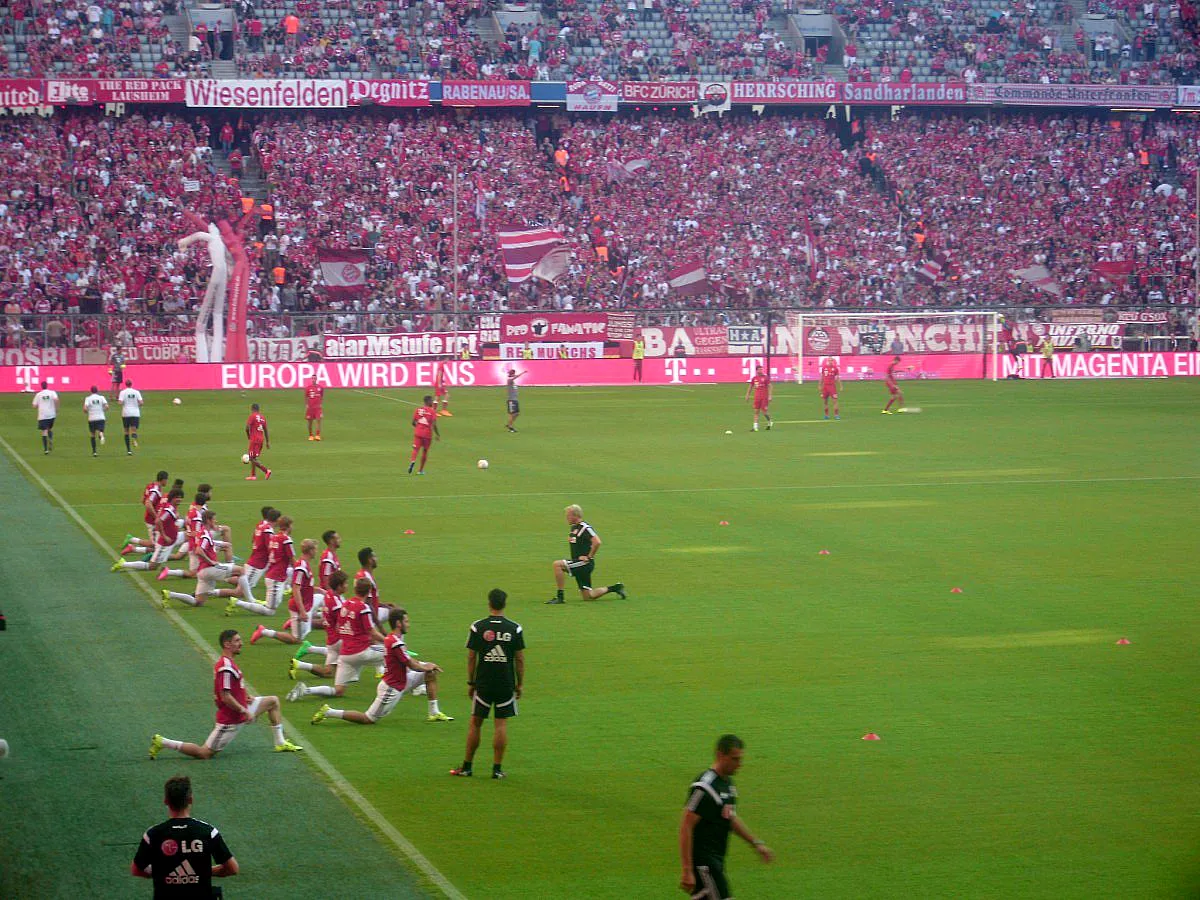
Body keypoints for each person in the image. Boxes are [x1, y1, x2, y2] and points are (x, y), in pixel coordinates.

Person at [148, 629, 302, 759]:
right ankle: (164, 742)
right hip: (232, 718)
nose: (241, 643)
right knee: (205, 753)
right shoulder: (226, 667)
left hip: (242, 708)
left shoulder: (228, 662)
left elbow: (236, 686)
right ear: (227, 644)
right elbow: (226, 696)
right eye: (237, 641)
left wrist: (246, 696)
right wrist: (244, 711)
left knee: (273, 701)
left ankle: (280, 743)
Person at [312, 606, 453, 725]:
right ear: (399, 623)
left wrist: (428, 666)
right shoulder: (395, 642)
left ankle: (434, 712)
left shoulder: (393, 639)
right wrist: (426, 665)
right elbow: (411, 664)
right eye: (406, 621)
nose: (409, 624)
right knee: (368, 718)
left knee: (430, 674)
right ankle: (329, 712)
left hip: (401, 680)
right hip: (391, 688)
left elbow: (410, 661)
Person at [679, 734, 774, 898]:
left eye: (740, 759)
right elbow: (685, 826)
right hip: (704, 864)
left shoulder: (728, 785)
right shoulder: (705, 787)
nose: (739, 765)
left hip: (717, 860)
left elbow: (730, 818)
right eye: (734, 759)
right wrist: (687, 870)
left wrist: (756, 843)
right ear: (720, 755)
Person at [451, 589, 525, 779]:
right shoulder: (514, 628)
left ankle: (467, 767)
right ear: (504, 604)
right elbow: (519, 659)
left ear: (489, 603)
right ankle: (497, 769)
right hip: (505, 683)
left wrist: (471, 681)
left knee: (476, 722)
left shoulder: (478, 627)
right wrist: (520, 684)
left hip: (483, 682)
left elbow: (471, 656)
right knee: (500, 724)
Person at [131, 776, 239, 894]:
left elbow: (136, 870)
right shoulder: (207, 832)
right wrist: (204, 871)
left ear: (166, 800)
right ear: (191, 799)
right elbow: (232, 868)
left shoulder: (153, 834)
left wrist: (161, 873)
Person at [288, 577, 385, 702]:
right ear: (368, 592)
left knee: (335, 685)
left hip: (341, 649)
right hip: (352, 648)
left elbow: (339, 624)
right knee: (391, 652)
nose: (346, 586)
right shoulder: (359, 607)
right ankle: (410, 679)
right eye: (345, 583)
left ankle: (305, 688)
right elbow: (370, 631)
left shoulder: (343, 603)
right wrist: (386, 639)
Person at [163, 510, 255, 609]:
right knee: (241, 570)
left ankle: (170, 594)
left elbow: (207, 542)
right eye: (214, 519)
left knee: (197, 602)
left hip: (202, 572)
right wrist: (210, 561)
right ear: (208, 521)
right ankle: (251, 600)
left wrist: (221, 544)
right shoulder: (205, 534)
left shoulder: (202, 532)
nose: (216, 521)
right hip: (209, 569)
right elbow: (199, 550)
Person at [249, 538, 323, 646]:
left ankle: (293, 622)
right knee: (296, 639)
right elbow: (296, 589)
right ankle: (264, 631)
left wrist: (319, 590)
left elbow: (305, 586)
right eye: (315, 549)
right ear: (311, 551)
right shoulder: (301, 567)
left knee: (323, 598)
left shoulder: (305, 564)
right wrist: (302, 611)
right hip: (299, 606)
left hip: (307, 602)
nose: (316, 551)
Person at [547, 504, 626, 604]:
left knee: (557, 565)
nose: (566, 518)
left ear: (575, 515)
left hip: (584, 563)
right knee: (588, 596)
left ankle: (560, 597)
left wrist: (589, 556)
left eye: (568, 515)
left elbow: (597, 542)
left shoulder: (585, 527)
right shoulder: (574, 528)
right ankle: (616, 588)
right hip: (580, 563)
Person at [112, 487, 188, 578]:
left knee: (190, 535)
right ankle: (124, 564)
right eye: (177, 497)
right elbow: (158, 521)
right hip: (165, 544)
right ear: (172, 498)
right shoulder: (169, 510)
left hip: (174, 537)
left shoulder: (171, 508)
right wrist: (164, 536)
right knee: (152, 566)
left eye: (181, 497)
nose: (179, 499)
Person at [228, 515, 292, 616]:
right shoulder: (285, 539)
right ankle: (236, 601)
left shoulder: (274, 537)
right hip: (273, 575)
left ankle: (227, 581)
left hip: (272, 573)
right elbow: (291, 559)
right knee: (269, 610)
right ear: (289, 526)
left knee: (273, 603)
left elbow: (257, 542)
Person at [408, 395, 440, 475]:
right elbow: (434, 424)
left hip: (418, 432)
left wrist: (418, 427)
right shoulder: (432, 411)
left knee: (415, 449)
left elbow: (413, 422)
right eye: (431, 401)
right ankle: (420, 470)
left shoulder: (418, 410)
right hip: (427, 434)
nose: (432, 402)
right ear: (428, 402)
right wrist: (437, 434)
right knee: (425, 451)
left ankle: (413, 460)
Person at [244, 403, 272, 481]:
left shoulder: (252, 416)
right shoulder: (262, 417)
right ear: (258, 409)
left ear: (252, 409)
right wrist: (267, 442)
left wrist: (249, 436)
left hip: (254, 440)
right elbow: (266, 430)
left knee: (251, 458)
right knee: (254, 457)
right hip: (261, 439)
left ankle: (266, 471)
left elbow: (246, 428)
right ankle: (253, 475)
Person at [31, 380, 58, 455]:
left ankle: (46, 450)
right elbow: (56, 399)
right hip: (52, 415)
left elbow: (34, 406)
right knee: (49, 428)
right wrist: (56, 409)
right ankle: (51, 438)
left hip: (43, 415)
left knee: (44, 431)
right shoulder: (52, 393)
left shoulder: (38, 395)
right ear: (47, 385)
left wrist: (39, 405)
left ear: (41, 386)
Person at [117, 379, 144, 455]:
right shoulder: (136, 392)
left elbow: (120, 402)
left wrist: (122, 402)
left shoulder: (122, 392)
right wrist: (136, 405)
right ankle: (134, 439)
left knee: (126, 431)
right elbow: (141, 402)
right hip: (135, 413)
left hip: (126, 413)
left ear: (125, 384)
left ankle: (129, 450)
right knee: (134, 429)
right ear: (131, 384)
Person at [744, 366, 772, 432]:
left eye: (762, 369)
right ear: (756, 370)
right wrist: (747, 395)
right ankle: (755, 427)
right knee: (756, 412)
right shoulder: (754, 378)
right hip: (757, 397)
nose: (761, 371)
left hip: (764, 397)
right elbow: (750, 386)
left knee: (764, 412)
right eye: (760, 369)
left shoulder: (765, 378)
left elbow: (770, 386)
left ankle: (769, 421)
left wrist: (770, 396)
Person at [84, 385, 109, 456]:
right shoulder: (101, 397)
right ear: (97, 391)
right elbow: (107, 407)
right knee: (101, 430)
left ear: (91, 391)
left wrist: (87, 411)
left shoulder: (88, 398)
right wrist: (102, 410)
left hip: (92, 418)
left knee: (92, 435)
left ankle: (94, 452)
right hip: (101, 417)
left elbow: (85, 409)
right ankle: (101, 434)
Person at [304, 376, 324, 441]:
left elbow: (321, 396)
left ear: (316, 379)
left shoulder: (320, 387)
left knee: (318, 420)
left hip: (318, 408)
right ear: (311, 379)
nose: (313, 380)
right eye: (312, 378)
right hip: (310, 408)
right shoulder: (308, 388)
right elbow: (306, 397)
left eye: (315, 378)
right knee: (310, 422)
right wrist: (306, 405)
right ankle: (310, 435)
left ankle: (318, 435)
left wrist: (320, 404)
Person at [505, 368, 525, 432]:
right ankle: (510, 427)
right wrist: (523, 373)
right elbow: (515, 377)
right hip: (511, 400)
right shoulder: (509, 380)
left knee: (517, 414)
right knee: (512, 414)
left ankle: (509, 424)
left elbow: (515, 376)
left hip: (515, 400)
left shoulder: (512, 381)